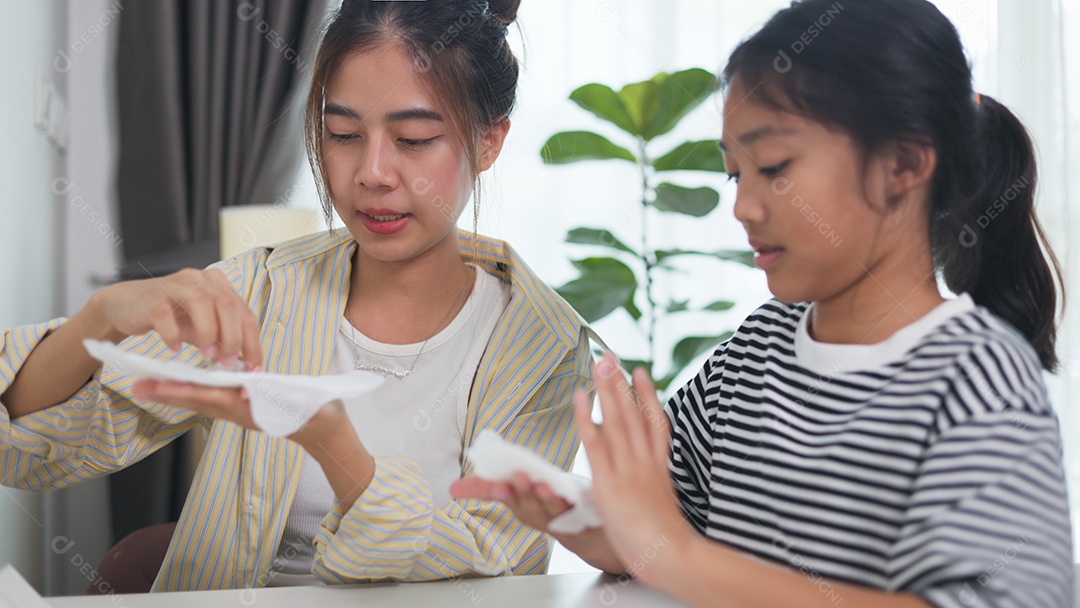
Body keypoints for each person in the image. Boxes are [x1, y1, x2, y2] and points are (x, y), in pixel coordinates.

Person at [453, 0, 1073, 606]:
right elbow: (663, 532)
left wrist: (676, 554)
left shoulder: (981, 379)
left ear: (902, 165)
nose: (743, 207)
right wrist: (578, 513)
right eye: (735, 174)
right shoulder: (756, 354)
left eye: (774, 166)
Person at [0, 0, 594, 591]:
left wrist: (337, 448)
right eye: (343, 134)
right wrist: (96, 322)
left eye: (413, 139)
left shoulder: (542, 346)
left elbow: (495, 564)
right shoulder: (261, 291)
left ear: (489, 142)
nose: (372, 172)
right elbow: (31, 444)